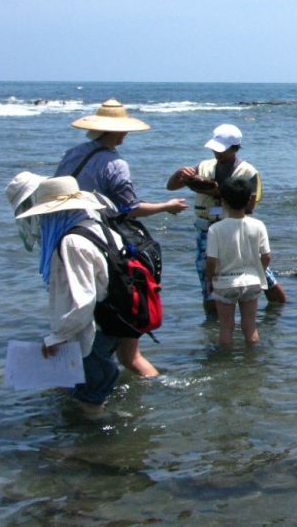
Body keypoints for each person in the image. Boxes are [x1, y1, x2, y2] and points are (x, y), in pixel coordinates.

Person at [56, 99, 188, 378]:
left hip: (69, 236)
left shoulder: (73, 153)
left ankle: (76, 378)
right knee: (129, 354)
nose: (126, 134)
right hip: (102, 242)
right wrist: (167, 206)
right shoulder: (115, 163)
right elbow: (131, 209)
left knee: (85, 321)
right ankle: (149, 388)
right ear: (117, 130)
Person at [13, 177, 120, 412]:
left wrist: (57, 338)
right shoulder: (99, 227)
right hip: (111, 322)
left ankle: (98, 431)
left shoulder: (72, 242)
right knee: (90, 388)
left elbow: (83, 301)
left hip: (91, 330)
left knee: (89, 400)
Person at [167, 123, 286, 315]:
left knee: (261, 273)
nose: (217, 153)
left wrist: (218, 192)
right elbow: (171, 186)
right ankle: (213, 325)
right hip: (206, 230)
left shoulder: (248, 172)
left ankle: (277, 313)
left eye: (222, 150)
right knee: (208, 281)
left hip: (238, 231)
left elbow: (249, 207)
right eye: (215, 149)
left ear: (235, 148)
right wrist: (180, 173)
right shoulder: (204, 167)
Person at [205, 178, 272, 347]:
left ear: (223, 201)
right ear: (249, 199)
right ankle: (252, 359)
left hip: (225, 282)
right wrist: (260, 273)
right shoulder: (258, 225)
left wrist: (209, 280)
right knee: (250, 326)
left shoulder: (215, 229)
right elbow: (266, 257)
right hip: (252, 281)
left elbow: (211, 260)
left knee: (226, 327)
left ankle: (225, 360)